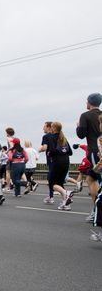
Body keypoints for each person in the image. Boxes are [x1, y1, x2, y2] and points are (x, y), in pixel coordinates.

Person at [76, 93, 102, 222]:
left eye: (86, 101)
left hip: (95, 151)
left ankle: (97, 211)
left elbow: (81, 135)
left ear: (90, 102)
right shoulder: (101, 115)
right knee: (90, 178)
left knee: (95, 180)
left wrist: (77, 126)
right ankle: (95, 210)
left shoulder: (85, 116)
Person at [42, 122, 74, 210]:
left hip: (57, 163)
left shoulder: (52, 137)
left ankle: (66, 193)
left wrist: (49, 153)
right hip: (66, 162)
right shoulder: (63, 138)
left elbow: (52, 150)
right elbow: (70, 152)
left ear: (53, 128)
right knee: (59, 183)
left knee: (52, 184)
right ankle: (66, 204)